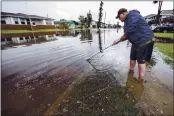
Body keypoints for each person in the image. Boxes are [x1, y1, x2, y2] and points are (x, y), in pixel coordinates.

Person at [113, 8, 155, 82]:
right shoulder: (126, 21)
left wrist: (119, 39)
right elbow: (128, 35)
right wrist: (118, 41)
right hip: (136, 42)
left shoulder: (132, 14)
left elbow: (130, 30)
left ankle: (141, 80)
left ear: (123, 13)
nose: (120, 20)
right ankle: (131, 72)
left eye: (119, 17)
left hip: (144, 40)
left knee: (141, 61)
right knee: (132, 58)